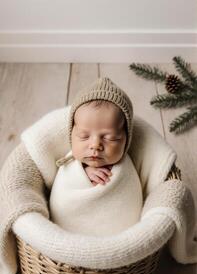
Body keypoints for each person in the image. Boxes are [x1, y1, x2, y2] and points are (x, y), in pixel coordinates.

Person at [49, 77, 143, 236]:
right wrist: (83, 175)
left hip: (116, 235)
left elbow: (129, 201)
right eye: (84, 136)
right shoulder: (69, 164)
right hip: (67, 231)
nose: (95, 145)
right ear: (71, 134)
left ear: (126, 139)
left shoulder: (127, 169)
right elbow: (62, 198)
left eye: (110, 138)